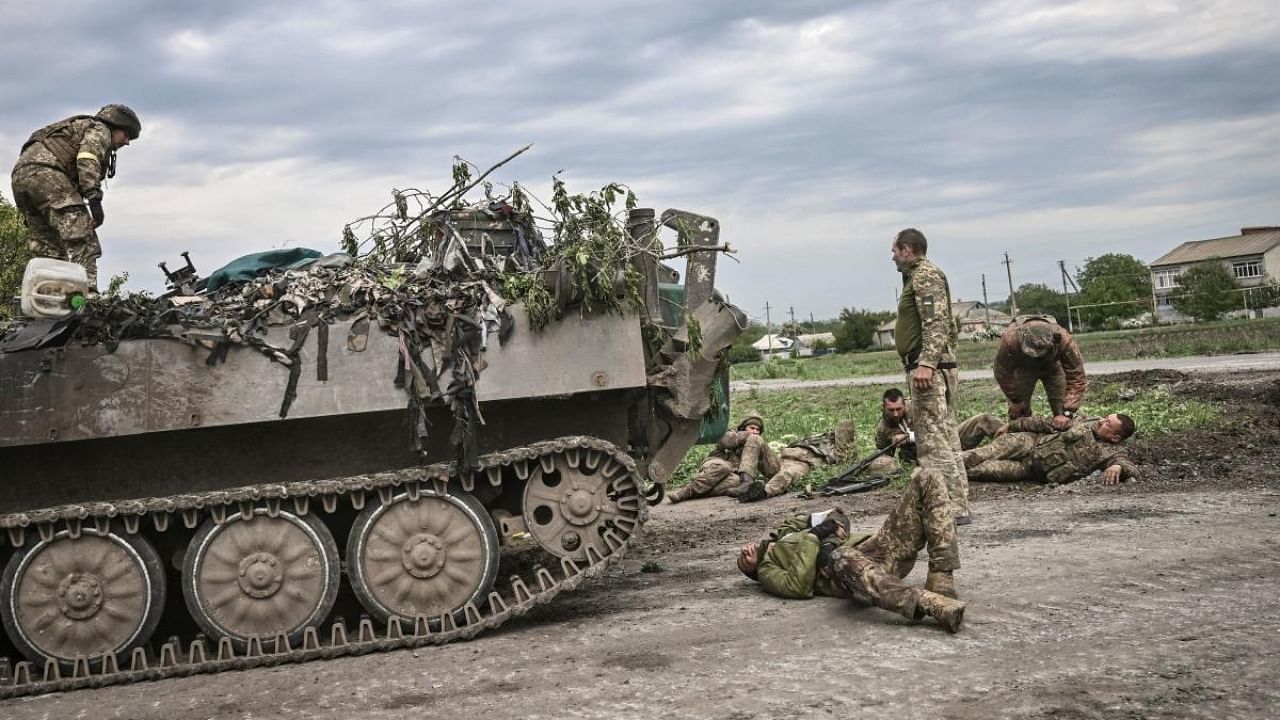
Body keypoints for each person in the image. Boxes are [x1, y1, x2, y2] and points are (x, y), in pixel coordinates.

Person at [735, 467, 966, 633]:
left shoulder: (786, 530)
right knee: (840, 557)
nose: (744, 552)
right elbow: (798, 586)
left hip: (878, 547)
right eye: (743, 562)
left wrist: (828, 539)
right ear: (753, 571)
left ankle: (941, 577)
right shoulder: (768, 570)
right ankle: (929, 603)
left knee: (927, 476)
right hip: (849, 572)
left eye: (742, 551)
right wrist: (817, 538)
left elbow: (836, 517)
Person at [10, 104, 142, 290]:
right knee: (84, 240)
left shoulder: (75, 128)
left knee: (49, 250)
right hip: (48, 175)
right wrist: (94, 200)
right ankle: (87, 302)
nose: (127, 142)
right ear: (114, 126)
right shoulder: (99, 129)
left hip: (22, 179)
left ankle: (48, 303)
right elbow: (87, 159)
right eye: (126, 135)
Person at [891, 229, 971, 523]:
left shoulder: (924, 276)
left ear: (908, 249)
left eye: (895, 251)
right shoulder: (917, 276)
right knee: (945, 436)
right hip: (934, 366)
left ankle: (949, 506)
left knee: (933, 441)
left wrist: (926, 364)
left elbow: (935, 323)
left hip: (930, 370)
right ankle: (957, 503)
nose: (893, 257)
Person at [963, 413, 1138, 485]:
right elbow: (1045, 422)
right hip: (1029, 443)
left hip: (1029, 470)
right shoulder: (1083, 421)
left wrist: (1118, 467)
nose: (1102, 421)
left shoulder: (1113, 453)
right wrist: (1012, 425)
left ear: (1115, 437)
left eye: (1108, 423)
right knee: (981, 454)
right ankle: (941, 461)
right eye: (1106, 418)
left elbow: (1132, 469)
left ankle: (941, 470)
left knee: (981, 471)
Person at [868, 391, 1005, 478]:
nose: (896, 413)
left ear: (905, 404)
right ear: (884, 408)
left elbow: (937, 430)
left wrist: (909, 437)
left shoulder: (918, 408)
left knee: (983, 420)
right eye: (891, 410)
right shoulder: (882, 430)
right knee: (970, 466)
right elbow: (884, 455)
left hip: (945, 439)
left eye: (899, 409)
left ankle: (1012, 440)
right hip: (927, 457)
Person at [994, 315, 1088, 429]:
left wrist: (1067, 411)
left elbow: (1077, 375)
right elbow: (1002, 373)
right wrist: (1015, 400)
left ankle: (1061, 438)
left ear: (1053, 341)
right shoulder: (1010, 339)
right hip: (1024, 368)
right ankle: (1019, 438)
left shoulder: (1064, 339)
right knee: (1019, 413)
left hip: (1053, 368)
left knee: (1062, 411)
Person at [667, 410, 780, 503]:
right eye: (752, 428)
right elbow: (724, 441)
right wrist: (746, 436)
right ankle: (684, 492)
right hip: (716, 463)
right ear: (743, 427)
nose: (755, 431)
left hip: (732, 475)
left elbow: (771, 467)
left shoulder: (755, 443)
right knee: (723, 467)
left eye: (758, 430)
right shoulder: (732, 433)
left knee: (735, 481)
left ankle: (690, 493)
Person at [737, 420, 857, 502]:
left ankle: (762, 492)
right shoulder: (816, 437)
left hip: (803, 463)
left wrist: (845, 441)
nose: (839, 431)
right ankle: (746, 482)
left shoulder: (840, 450)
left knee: (786, 474)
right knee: (755, 438)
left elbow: (845, 460)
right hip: (782, 459)